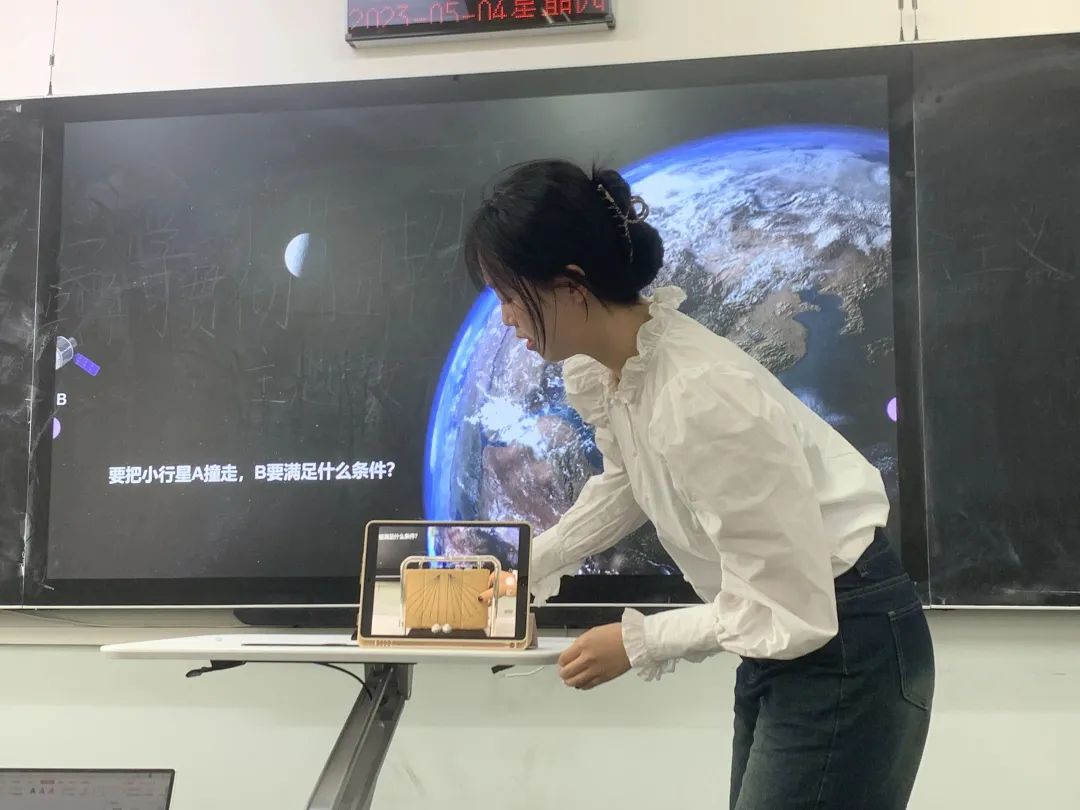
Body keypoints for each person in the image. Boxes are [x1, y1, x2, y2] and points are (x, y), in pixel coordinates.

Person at [465, 159, 934, 809]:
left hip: (844, 635)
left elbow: (789, 607)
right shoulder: (615, 368)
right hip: (791, 636)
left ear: (571, 285)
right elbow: (629, 481)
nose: (506, 318)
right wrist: (531, 565)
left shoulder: (698, 394)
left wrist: (637, 642)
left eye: (511, 295)